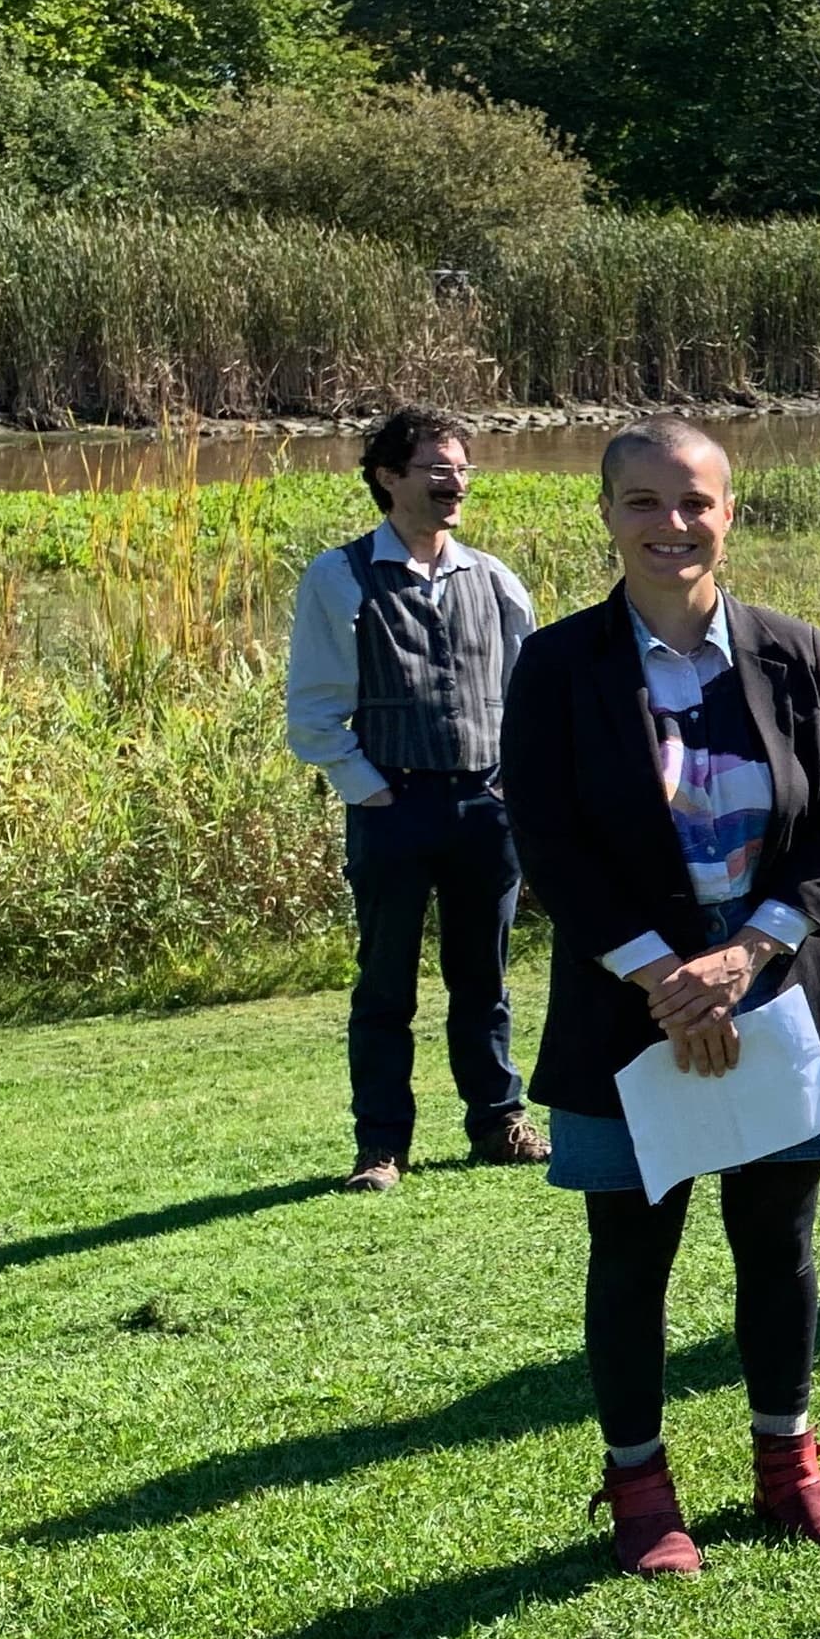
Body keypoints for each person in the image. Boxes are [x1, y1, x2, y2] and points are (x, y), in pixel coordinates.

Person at [504, 420, 820, 1580]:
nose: (670, 526)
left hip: (778, 999)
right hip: (631, 1010)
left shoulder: (793, 652)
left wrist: (748, 955)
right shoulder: (559, 666)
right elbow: (549, 840)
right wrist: (664, 973)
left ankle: (789, 1467)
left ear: (731, 512)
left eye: (693, 503)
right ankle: (641, 1490)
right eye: (642, 503)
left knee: (779, 1242)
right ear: (608, 514)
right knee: (632, 1255)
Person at [281, 404, 545, 1192]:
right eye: (436, 467)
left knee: (484, 981)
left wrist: (509, 784)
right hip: (392, 811)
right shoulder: (340, 576)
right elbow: (315, 712)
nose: (453, 482)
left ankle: (499, 1124)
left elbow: (527, 695)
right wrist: (370, 792)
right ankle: (381, 1148)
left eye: (461, 468)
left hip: (484, 810)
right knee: (385, 985)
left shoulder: (493, 577)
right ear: (388, 478)